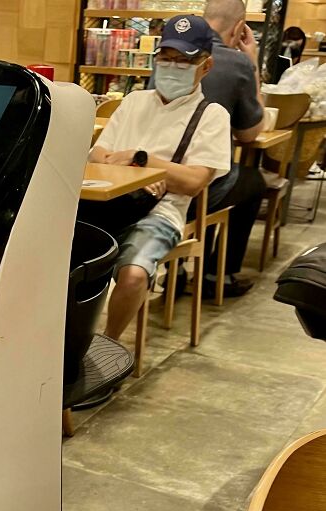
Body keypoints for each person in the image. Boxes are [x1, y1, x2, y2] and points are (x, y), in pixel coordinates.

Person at [87, 15, 231, 341]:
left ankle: (109, 347)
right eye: (166, 59)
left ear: (205, 67)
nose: (172, 67)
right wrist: (143, 173)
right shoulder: (133, 101)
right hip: (108, 205)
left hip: (161, 213)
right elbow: (98, 155)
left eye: (183, 62)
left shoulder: (212, 116)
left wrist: (143, 160)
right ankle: (65, 342)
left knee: (134, 275)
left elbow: (195, 181)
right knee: (57, 259)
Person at [200, 0, 267, 297]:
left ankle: (196, 267)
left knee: (229, 176)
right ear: (240, 27)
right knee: (252, 182)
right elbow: (251, 133)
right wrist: (251, 60)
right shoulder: (235, 61)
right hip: (204, 184)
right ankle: (218, 274)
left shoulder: (170, 55)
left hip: (159, 176)